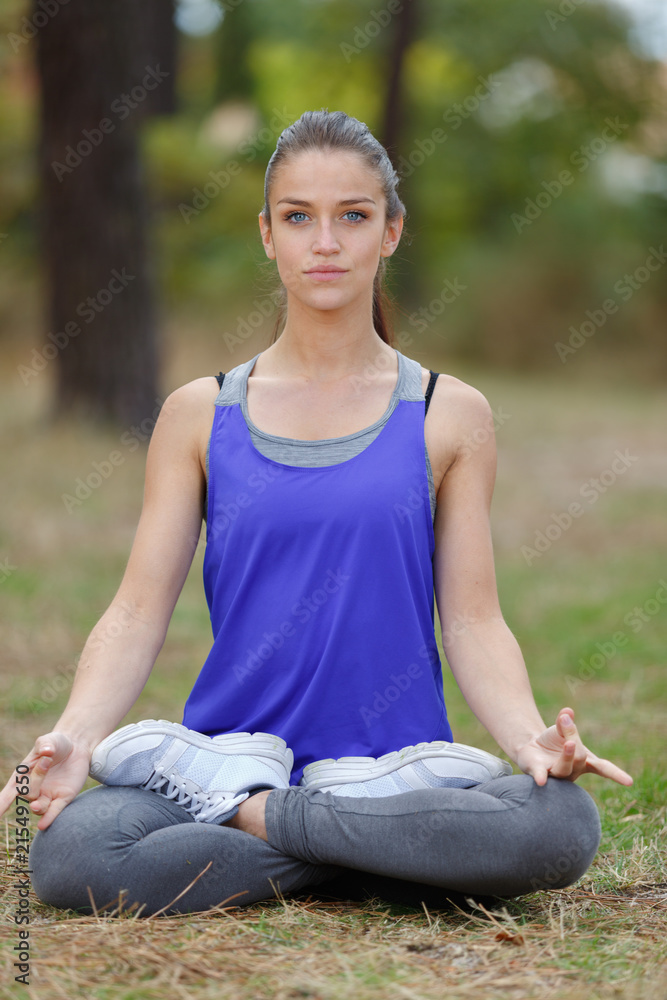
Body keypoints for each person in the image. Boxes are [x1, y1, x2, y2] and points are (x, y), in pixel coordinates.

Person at [1, 110, 633, 917]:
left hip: (398, 775)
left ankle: (275, 830)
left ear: (391, 233)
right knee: (70, 856)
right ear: (268, 235)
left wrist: (525, 744)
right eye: (298, 217)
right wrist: (77, 735)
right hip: (224, 762)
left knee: (558, 826)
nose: (324, 242)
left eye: (353, 217)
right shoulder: (201, 413)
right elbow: (135, 609)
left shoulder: (449, 413)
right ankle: (384, 863)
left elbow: (472, 621)